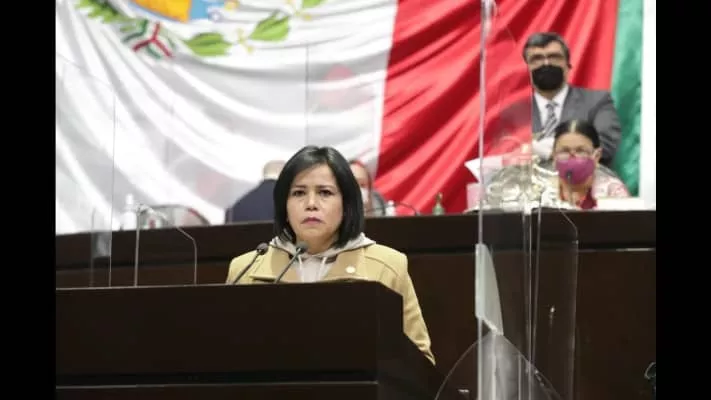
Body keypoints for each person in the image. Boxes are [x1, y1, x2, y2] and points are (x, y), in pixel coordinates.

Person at [226, 146, 435, 364]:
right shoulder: (246, 270)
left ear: (346, 204)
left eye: (325, 193)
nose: (311, 204)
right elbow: (226, 355)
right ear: (284, 207)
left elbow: (421, 363)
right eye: (298, 193)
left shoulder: (387, 266)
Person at [523, 32, 622, 167]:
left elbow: (606, 145)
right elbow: (503, 150)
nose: (546, 63)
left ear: (568, 66)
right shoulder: (513, 112)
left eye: (554, 57)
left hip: (584, 179)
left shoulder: (597, 101)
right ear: (526, 68)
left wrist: (554, 149)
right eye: (537, 58)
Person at [552, 119, 629, 210]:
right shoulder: (540, 190)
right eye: (565, 151)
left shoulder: (614, 191)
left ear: (596, 156)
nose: (572, 157)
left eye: (580, 151)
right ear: (554, 155)